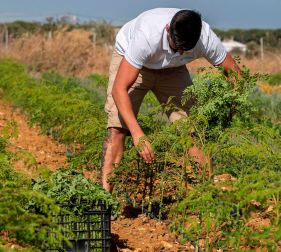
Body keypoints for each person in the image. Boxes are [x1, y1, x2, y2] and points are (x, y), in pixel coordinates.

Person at [101, 8, 241, 193]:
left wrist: (232, 103)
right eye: (177, 46)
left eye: (186, 49)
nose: (181, 51)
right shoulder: (147, 36)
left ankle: (204, 198)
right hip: (134, 63)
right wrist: (138, 135)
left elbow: (235, 73)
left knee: (194, 129)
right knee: (117, 128)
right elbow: (119, 89)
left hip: (173, 69)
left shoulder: (206, 38)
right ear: (168, 29)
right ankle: (104, 202)